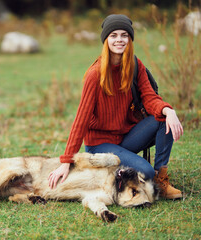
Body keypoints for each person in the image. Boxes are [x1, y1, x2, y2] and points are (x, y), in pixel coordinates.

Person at [48, 14, 183, 199]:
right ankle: (150, 175)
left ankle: (161, 180)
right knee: (146, 172)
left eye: (124, 35)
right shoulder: (95, 75)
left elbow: (150, 98)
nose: (119, 40)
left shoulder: (135, 65)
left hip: (125, 138)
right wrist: (66, 161)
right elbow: (81, 119)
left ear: (130, 39)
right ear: (106, 40)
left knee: (163, 118)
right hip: (100, 144)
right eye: (113, 35)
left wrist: (169, 110)